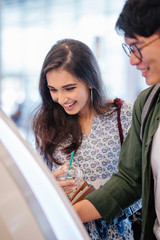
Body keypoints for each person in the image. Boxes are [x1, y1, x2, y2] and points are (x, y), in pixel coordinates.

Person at [32, 38, 141, 239]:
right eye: (53, 90)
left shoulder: (122, 115)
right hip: (67, 232)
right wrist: (50, 186)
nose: (62, 99)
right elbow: (37, 193)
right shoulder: (47, 124)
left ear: (90, 80)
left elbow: (140, 186)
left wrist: (99, 208)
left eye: (69, 88)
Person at [73, 0, 160, 239]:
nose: (132, 60)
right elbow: (129, 181)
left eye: (136, 46)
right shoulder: (148, 104)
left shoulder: (122, 113)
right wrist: (67, 213)